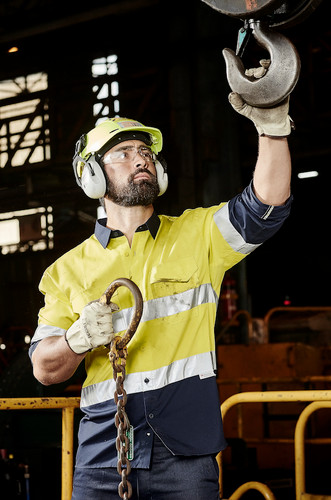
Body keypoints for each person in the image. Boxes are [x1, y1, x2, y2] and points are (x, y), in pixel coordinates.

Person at [29, 65, 293, 499]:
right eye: (123, 152)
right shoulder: (65, 271)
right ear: (92, 175)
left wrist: (272, 126)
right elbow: (45, 369)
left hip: (185, 457)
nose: (141, 158)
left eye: (145, 151)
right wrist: (78, 339)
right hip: (103, 460)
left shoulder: (199, 235)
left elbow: (266, 203)